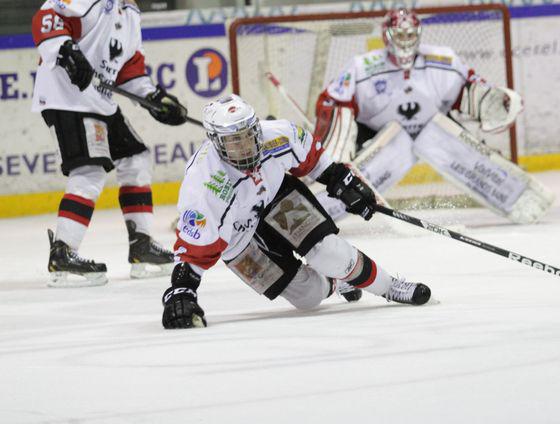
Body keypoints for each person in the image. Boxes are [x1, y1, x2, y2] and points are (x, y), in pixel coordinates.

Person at [161, 94, 431, 329]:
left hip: (278, 197)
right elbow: (194, 251)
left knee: (328, 252)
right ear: (216, 142)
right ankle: (338, 282)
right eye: (234, 141)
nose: (245, 146)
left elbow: (316, 161)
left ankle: (390, 286)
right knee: (308, 296)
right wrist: (181, 291)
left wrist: (342, 181)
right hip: (237, 236)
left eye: (248, 135)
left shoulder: (278, 134)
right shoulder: (205, 183)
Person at [312, 8, 553, 225]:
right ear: (387, 35)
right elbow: (333, 102)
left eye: (409, 35)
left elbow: (469, 89)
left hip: (434, 129)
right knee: (348, 177)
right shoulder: (362, 66)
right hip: (380, 136)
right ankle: (316, 211)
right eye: (400, 35)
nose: (405, 40)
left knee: (463, 152)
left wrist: (493, 100)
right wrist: (337, 151)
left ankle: (517, 196)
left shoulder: (443, 60)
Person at [31, 0, 188, 287]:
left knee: (135, 157)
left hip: (98, 101)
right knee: (89, 171)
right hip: (66, 97)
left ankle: (142, 245)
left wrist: (154, 99)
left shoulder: (130, 12)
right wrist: (66, 49)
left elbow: (129, 68)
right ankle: (63, 253)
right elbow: (46, 17)